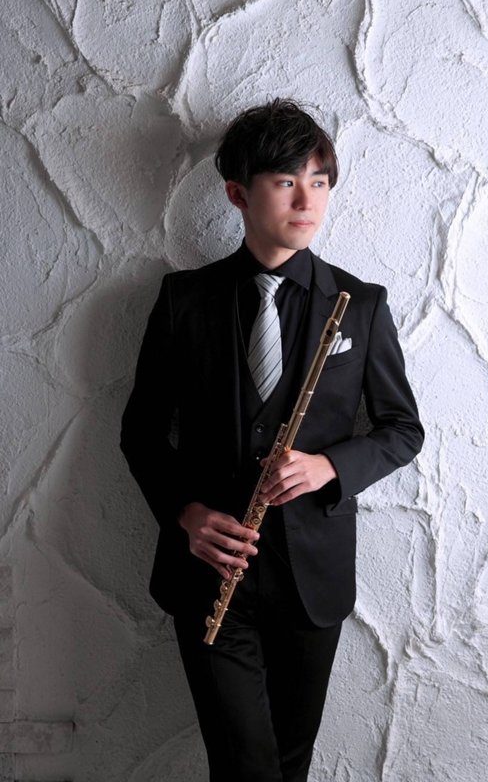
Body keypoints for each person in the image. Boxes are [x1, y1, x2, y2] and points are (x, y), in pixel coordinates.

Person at [120, 98, 424, 782]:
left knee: (290, 764)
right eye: (286, 181)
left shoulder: (360, 304)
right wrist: (186, 513)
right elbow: (140, 431)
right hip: (209, 573)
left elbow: (403, 430)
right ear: (238, 194)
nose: (307, 200)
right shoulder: (183, 300)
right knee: (246, 767)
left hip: (311, 578)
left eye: (319, 180)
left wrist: (327, 466)